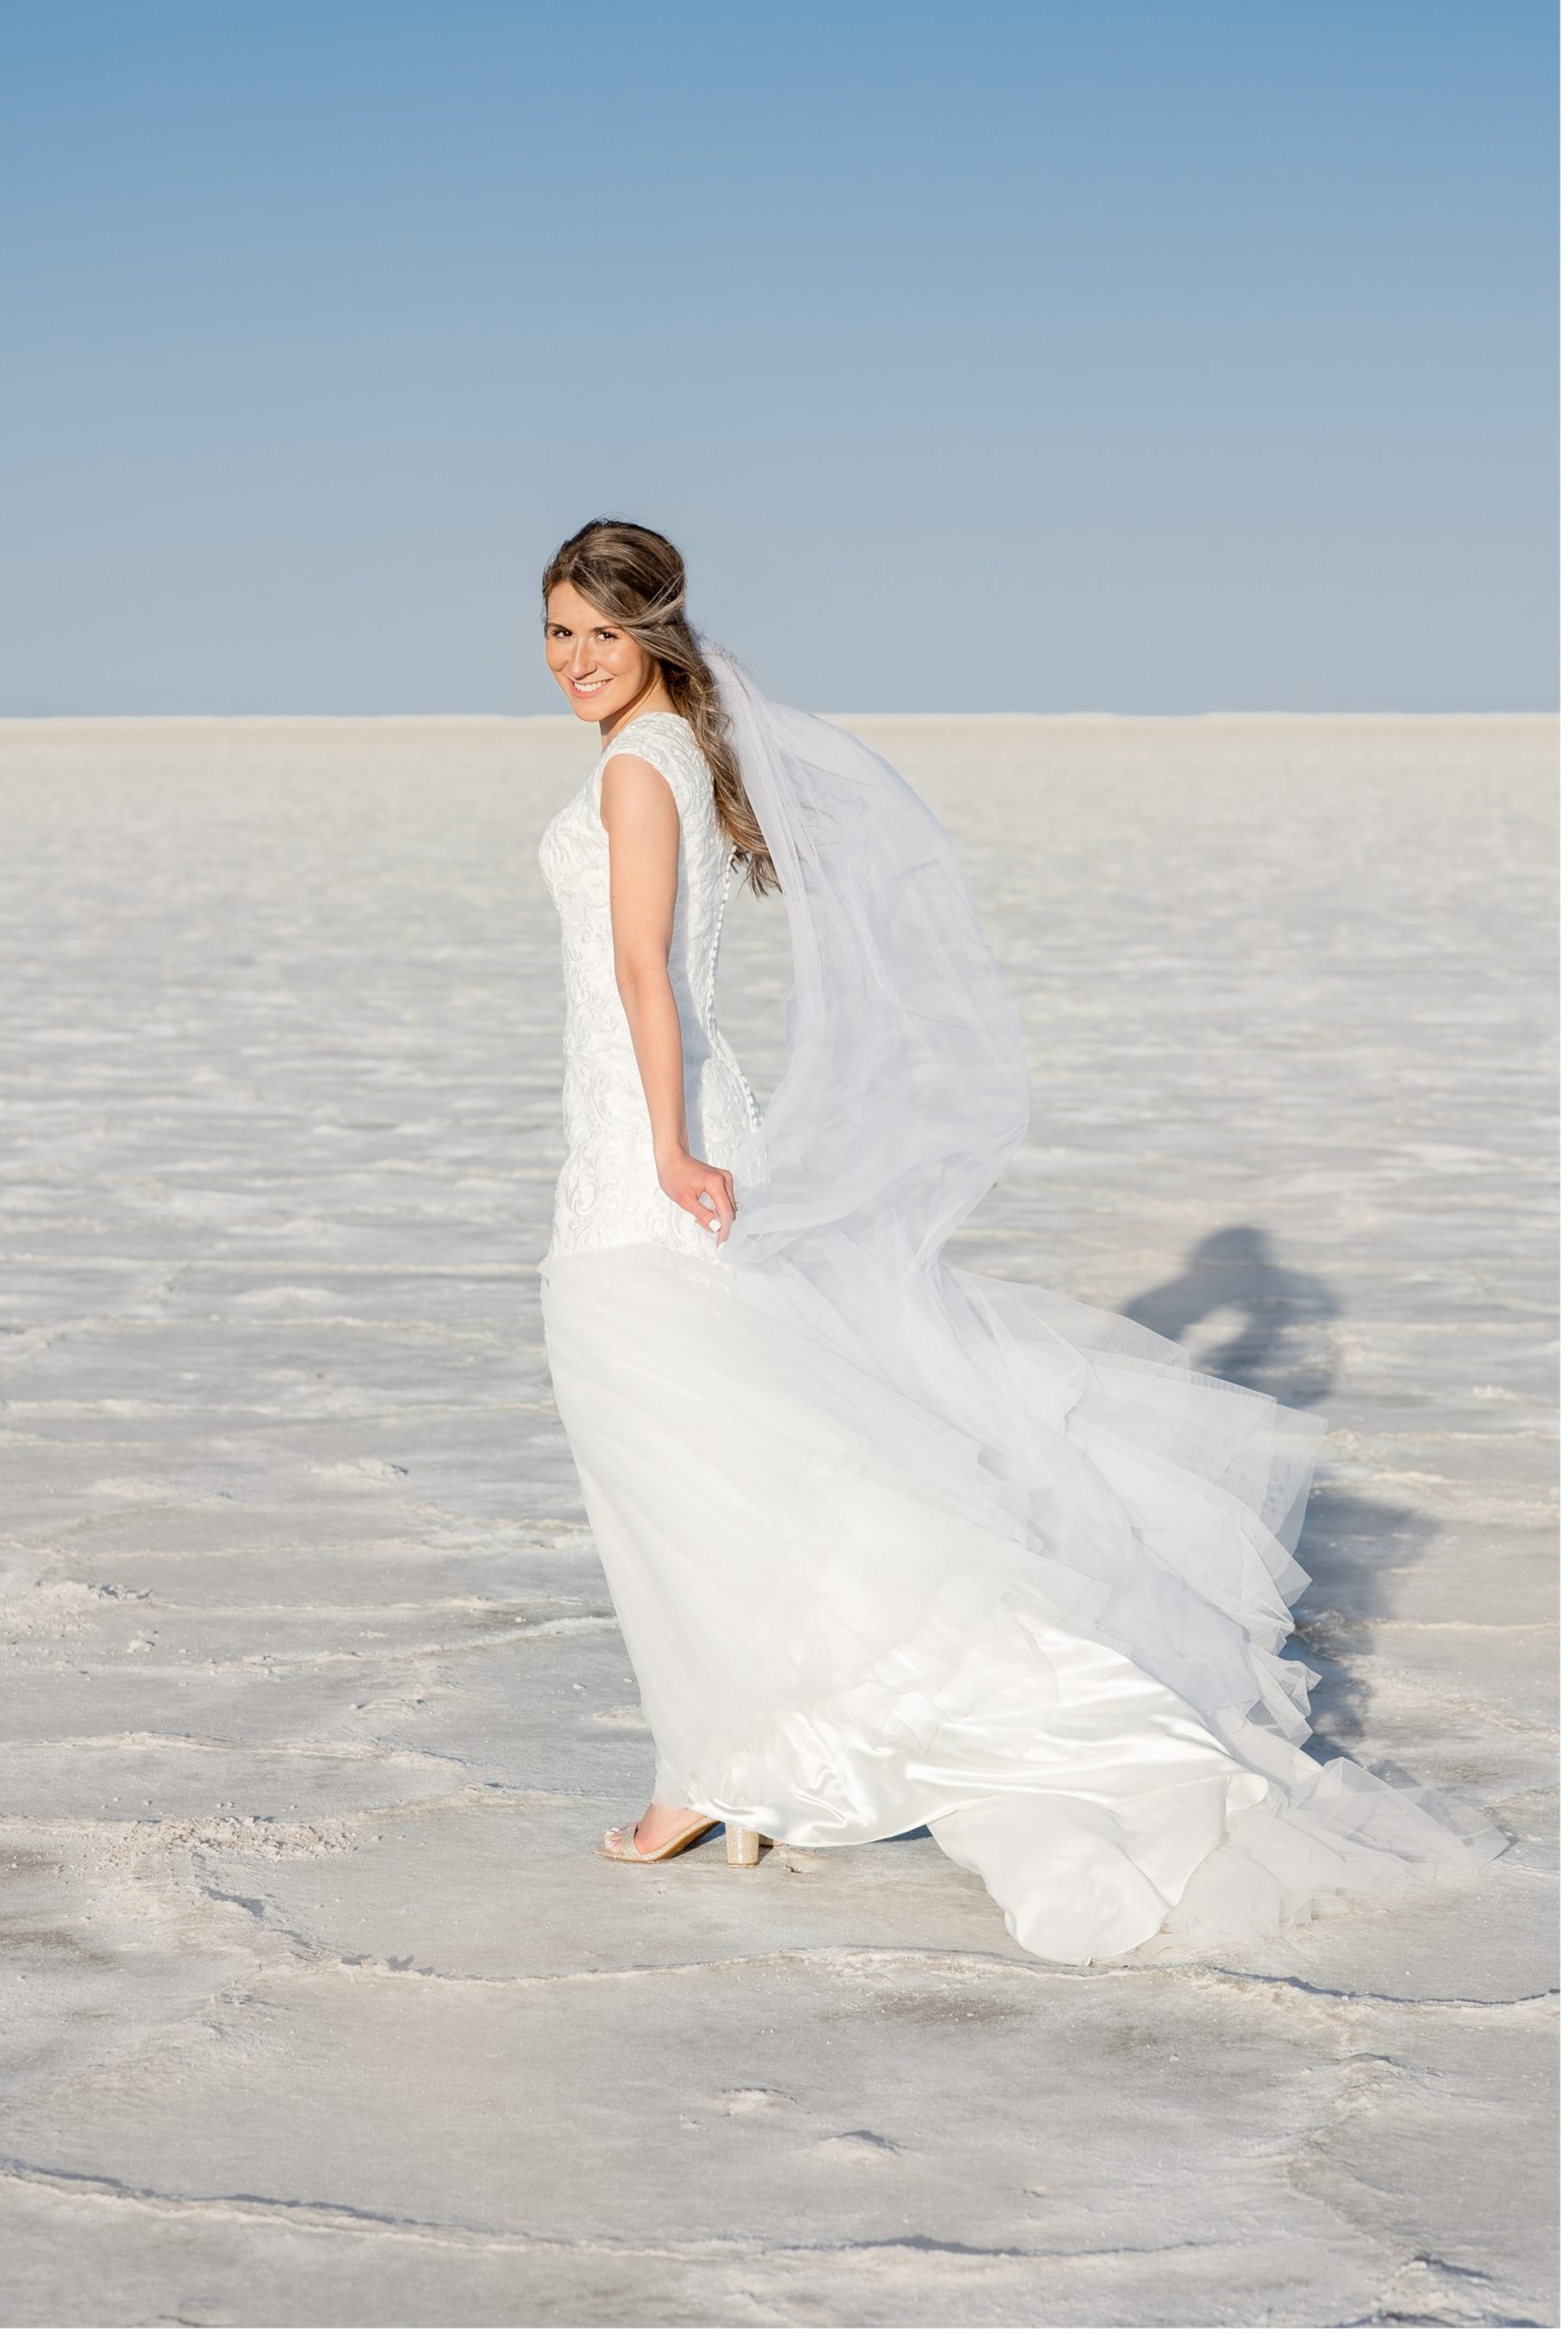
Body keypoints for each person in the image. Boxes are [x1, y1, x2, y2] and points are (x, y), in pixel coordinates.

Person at [535, 515, 1506, 1966]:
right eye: (556, 632)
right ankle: (735, 1762)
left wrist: (667, 1147)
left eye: (600, 634)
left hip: (645, 1140)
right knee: (727, 1448)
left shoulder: (634, 765)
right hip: (652, 1125)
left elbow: (638, 972)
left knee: (681, 1452)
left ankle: (712, 1773)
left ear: (656, 632)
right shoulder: (676, 751)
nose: (574, 663)